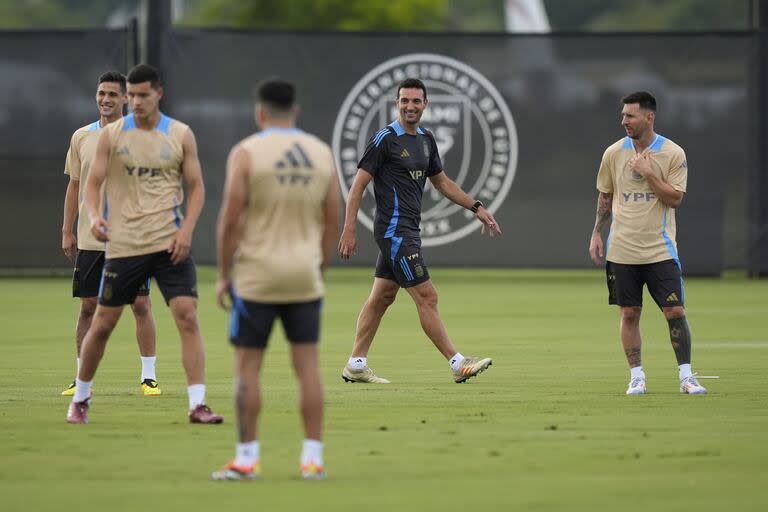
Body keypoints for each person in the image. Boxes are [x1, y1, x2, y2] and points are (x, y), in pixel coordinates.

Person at [66, 64, 223, 424]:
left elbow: (197, 187)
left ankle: (197, 403)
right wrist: (93, 216)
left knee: (187, 316)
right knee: (103, 322)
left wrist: (187, 232)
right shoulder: (112, 135)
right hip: (125, 244)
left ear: (158, 94)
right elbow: (91, 183)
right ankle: (82, 395)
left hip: (170, 243)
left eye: (142, 95)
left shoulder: (180, 134)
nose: (136, 102)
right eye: (132, 96)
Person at [211, 79, 340, 481]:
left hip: (257, 276)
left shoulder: (247, 152)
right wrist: (319, 265)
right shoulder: (321, 153)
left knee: (248, 367)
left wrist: (222, 274)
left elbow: (230, 219)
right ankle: (313, 459)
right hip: (304, 274)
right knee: (308, 368)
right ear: (295, 112)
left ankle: (247, 459)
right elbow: (332, 218)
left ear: (260, 112)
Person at [338, 78, 500, 384]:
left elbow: (442, 183)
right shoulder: (384, 139)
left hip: (409, 230)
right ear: (396, 103)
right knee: (427, 296)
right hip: (394, 232)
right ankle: (457, 363)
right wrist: (349, 230)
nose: (410, 106)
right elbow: (358, 186)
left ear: (425, 104)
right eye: (404, 101)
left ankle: (356, 364)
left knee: (382, 296)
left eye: (416, 101)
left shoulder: (426, 139)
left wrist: (476, 207)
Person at [589, 91, 707, 396]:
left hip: (659, 249)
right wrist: (596, 233)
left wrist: (649, 173)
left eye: (630, 115)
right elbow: (605, 196)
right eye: (623, 115)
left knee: (675, 312)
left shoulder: (672, 153)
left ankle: (686, 377)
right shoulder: (613, 153)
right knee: (629, 314)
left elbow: (675, 199)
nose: (624, 121)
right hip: (622, 250)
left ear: (649, 117)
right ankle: (637, 377)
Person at [61, 71, 161, 397]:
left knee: (141, 304)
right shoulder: (81, 137)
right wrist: (67, 230)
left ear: (126, 99)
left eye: (112, 95)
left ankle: (148, 377)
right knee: (88, 307)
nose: (105, 99)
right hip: (91, 238)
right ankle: (81, 379)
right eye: (101, 93)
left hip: (132, 238)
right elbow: (74, 185)